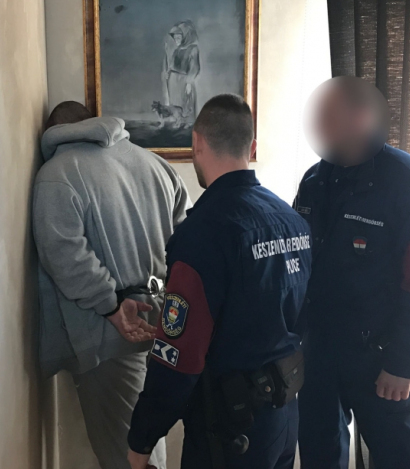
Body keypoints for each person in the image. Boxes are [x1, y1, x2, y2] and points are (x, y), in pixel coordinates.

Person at [127, 94, 312, 469]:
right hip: (284, 416)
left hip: (230, 429)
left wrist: (142, 439)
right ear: (252, 147)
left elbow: (178, 357)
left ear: (196, 142)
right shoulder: (292, 221)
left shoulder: (202, 235)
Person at [294, 76, 410, 469]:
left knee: (407, 460)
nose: (321, 125)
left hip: (382, 361)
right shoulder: (316, 180)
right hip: (319, 355)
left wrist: (406, 364)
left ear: (362, 116)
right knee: (319, 456)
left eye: (331, 116)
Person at [33, 101, 191, 469]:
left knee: (129, 457)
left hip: (111, 331)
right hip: (163, 321)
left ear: (53, 132)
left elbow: (64, 254)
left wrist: (110, 304)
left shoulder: (57, 174)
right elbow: (188, 244)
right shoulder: (156, 165)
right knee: (148, 439)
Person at [162, 20, 200, 122]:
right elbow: (172, 65)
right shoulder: (177, 50)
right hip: (173, 82)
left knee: (184, 106)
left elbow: (194, 68)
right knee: (174, 106)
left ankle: (187, 125)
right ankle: (176, 124)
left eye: (178, 38)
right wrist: (168, 72)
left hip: (183, 81)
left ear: (185, 37)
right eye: (175, 38)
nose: (176, 40)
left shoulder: (193, 49)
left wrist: (189, 82)